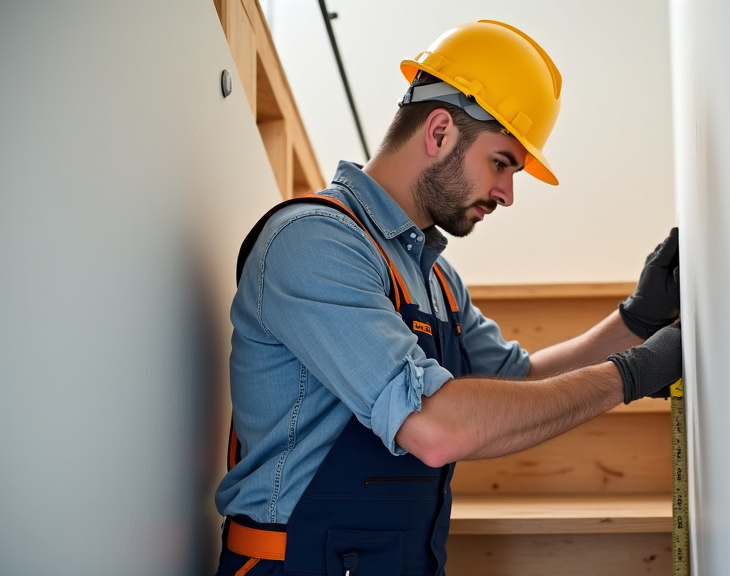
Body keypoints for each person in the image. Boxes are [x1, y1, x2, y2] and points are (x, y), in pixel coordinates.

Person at [214, 19, 682, 576]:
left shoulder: (435, 278)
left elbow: (517, 387)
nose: (507, 194)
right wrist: (633, 373)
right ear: (438, 131)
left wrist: (635, 320)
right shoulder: (314, 243)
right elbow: (436, 428)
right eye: (502, 163)